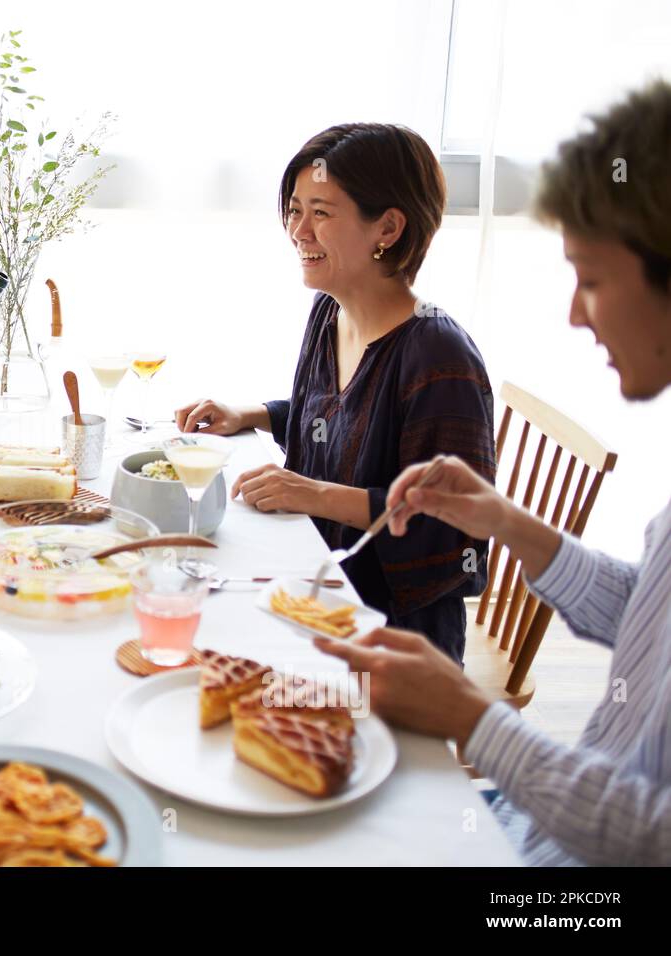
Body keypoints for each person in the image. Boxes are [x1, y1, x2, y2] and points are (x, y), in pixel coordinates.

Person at [316, 80, 671, 865]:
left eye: (594, 276)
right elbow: (647, 619)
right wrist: (501, 518)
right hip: (539, 819)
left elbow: (652, 836)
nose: (577, 314)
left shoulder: (435, 350)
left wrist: (474, 718)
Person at [175, 123, 496, 661]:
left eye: (321, 213)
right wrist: (250, 414)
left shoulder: (440, 359)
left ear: (388, 228)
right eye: (295, 209)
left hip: (390, 640)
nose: (299, 231)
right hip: (311, 590)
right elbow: (336, 420)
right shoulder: (331, 310)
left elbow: (453, 529)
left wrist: (312, 494)